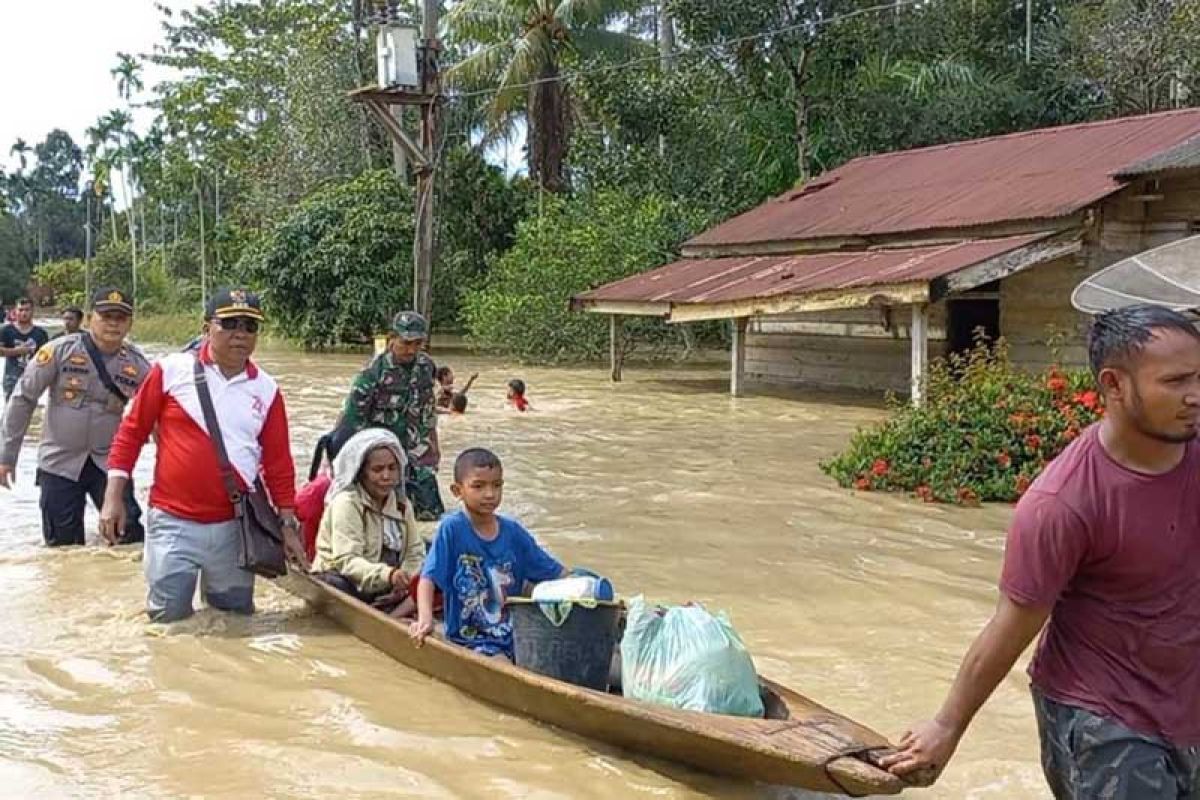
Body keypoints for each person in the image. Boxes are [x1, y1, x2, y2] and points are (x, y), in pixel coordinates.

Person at [882, 304, 1200, 798]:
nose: (1195, 395)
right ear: (1114, 386)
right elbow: (1011, 625)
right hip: (1105, 719)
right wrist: (947, 726)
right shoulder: (1063, 504)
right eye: (1176, 381)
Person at [100, 287, 306, 622]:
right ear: (206, 327)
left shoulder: (267, 391)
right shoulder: (170, 371)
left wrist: (287, 524)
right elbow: (131, 433)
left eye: (250, 326)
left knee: (234, 622)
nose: (240, 334)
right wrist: (113, 498)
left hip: (234, 527)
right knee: (167, 622)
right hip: (172, 522)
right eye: (229, 323)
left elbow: (279, 464)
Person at [0, 288, 150, 546]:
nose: (113, 323)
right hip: (59, 462)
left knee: (129, 540)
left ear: (130, 323)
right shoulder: (59, 351)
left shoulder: (137, 364)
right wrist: (6, 456)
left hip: (108, 463)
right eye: (106, 316)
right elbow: (23, 399)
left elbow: (160, 411)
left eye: (120, 317)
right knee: (63, 549)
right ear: (91, 318)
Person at [410, 447, 567, 658]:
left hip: (516, 634)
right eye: (478, 486)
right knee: (502, 663)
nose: (490, 494)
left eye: (496, 485)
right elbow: (428, 579)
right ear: (457, 491)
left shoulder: (513, 532)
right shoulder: (452, 529)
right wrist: (425, 619)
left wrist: (585, 586)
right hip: (472, 639)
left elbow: (556, 573)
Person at [311, 428, 426, 617]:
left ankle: (395, 612)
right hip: (347, 579)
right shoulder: (347, 503)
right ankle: (393, 615)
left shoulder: (402, 504)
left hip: (387, 583)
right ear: (361, 473)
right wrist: (387, 575)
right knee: (334, 584)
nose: (386, 476)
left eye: (392, 468)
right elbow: (347, 561)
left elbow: (414, 551)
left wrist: (405, 581)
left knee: (437, 574)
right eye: (377, 470)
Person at [341, 310, 443, 520]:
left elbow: (428, 409)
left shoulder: (426, 367)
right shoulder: (372, 373)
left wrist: (434, 444)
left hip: (418, 451)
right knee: (384, 515)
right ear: (392, 338)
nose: (411, 349)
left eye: (417, 343)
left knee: (431, 516)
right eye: (405, 343)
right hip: (383, 453)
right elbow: (352, 419)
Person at [1, 298, 50, 401]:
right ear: (15, 311)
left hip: (32, 378)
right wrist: (17, 351)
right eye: (20, 310)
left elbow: (47, 357)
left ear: (32, 311)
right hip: (11, 378)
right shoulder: (6, 331)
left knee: (27, 410)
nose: (23, 313)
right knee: (10, 410)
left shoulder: (40, 333)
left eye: (27, 310)